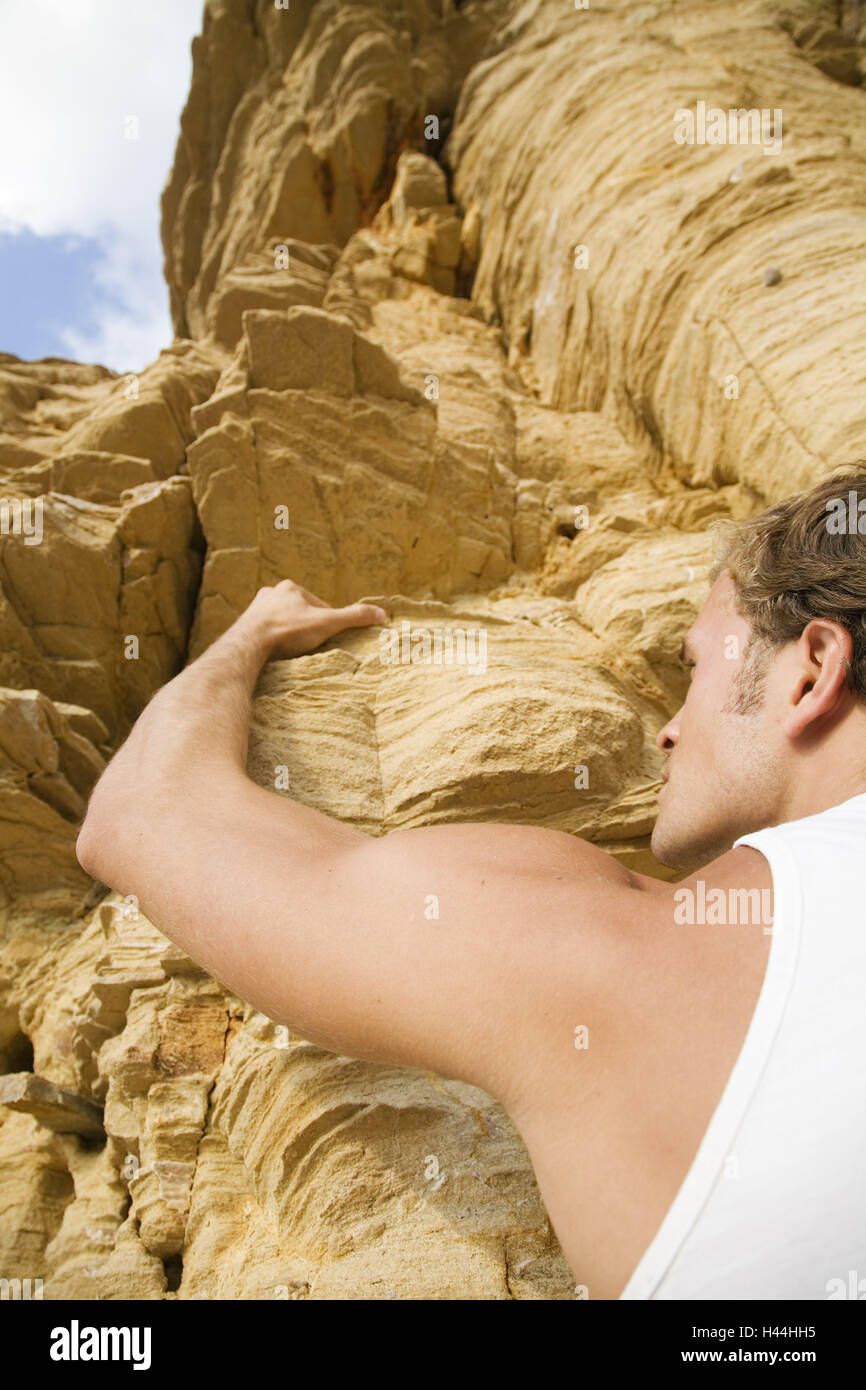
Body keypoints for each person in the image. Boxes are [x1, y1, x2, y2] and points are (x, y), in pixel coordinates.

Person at [76, 465, 866, 1300]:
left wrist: (247, 637)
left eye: (695, 668)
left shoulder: (618, 954)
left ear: (811, 670)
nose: (668, 730)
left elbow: (141, 816)